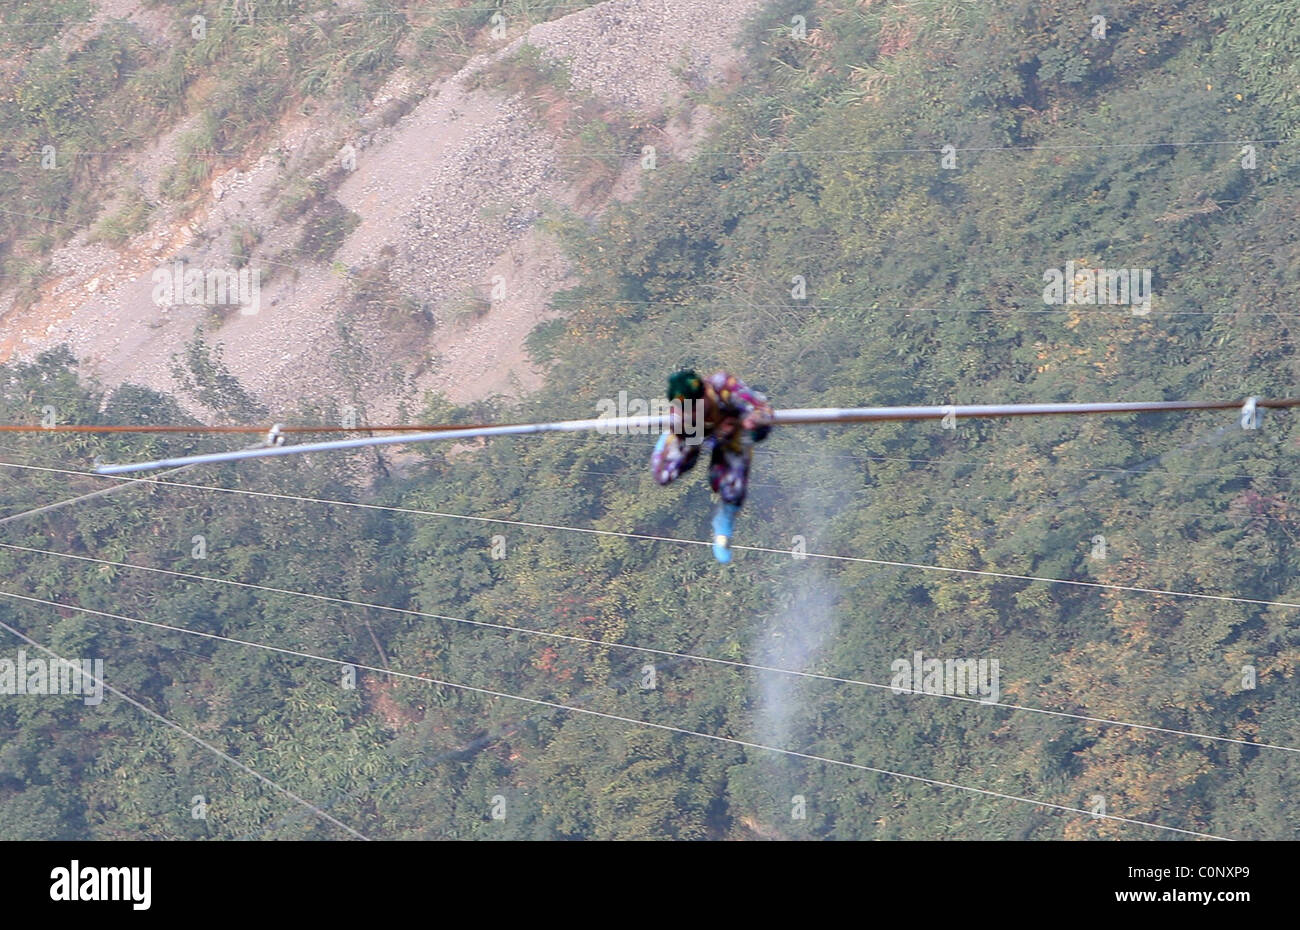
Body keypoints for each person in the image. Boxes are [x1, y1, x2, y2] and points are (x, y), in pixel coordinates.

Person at [651, 369, 774, 563]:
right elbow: (685, 442)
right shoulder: (679, 415)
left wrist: (754, 422)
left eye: (695, 407)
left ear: (704, 393)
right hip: (698, 437)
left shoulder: (725, 386)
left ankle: (724, 522)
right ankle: (664, 445)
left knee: (732, 486)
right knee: (663, 474)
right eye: (687, 409)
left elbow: (763, 410)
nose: (692, 412)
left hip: (732, 435)